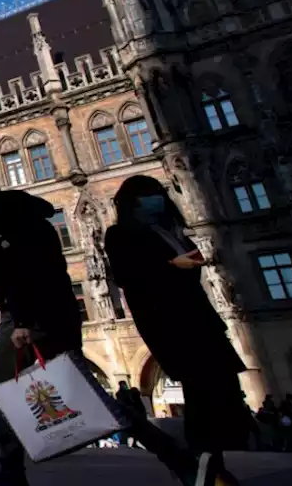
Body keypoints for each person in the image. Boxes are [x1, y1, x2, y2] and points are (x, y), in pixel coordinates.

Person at [107, 174, 251, 485]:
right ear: (132, 203)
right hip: (169, 322)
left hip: (200, 318)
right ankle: (202, 469)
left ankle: (211, 467)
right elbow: (126, 277)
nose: (156, 199)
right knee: (202, 393)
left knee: (220, 392)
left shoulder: (171, 230)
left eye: (158, 193)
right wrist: (172, 267)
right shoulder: (119, 235)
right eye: (148, 195)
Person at [0, 174, 83, 486]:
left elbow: (25, 270)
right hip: (55, 310)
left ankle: (12, 472)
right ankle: (172, 452)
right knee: (81, 386)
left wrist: (23, 321)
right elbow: (13, 269)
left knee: (4, 391)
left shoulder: (3, 219)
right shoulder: (26, 213)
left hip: (25, 315)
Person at [115, 381, 146, 447]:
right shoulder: (119, 393)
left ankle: (134, 441)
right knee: (131, 430)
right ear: (120, 385)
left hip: (131, 412)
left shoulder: (127, 392)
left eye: (125, 384)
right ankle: (131, 442)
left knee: (133, 430)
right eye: (124, 384)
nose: (125, 385)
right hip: (128, 412)